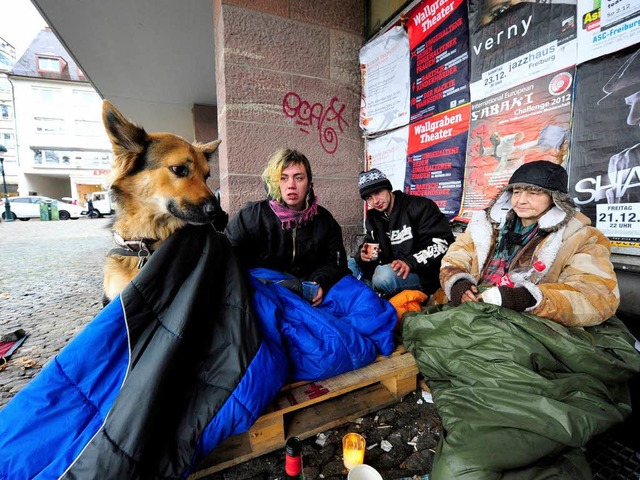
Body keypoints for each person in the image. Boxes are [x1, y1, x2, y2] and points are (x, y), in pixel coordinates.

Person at [441, 159, 619, 326]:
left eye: (533, 193)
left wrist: (527, 298)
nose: (521, 200)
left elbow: (597, 296)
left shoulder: (582, 237)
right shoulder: (486, 226)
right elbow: (456, 257)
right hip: (473, 308)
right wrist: (459, 283)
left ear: (555, 198)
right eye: (516, 192)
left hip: (527, 322)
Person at [225, 148, 350, 306]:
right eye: (283, 178)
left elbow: (337, 263)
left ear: (309, 184)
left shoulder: (324, 220)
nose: (291, 185)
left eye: (298, 178)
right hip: (268, 290)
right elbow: (228, 257)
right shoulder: (252, 216)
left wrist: (319, 283)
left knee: (362, 298)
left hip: (311, 286)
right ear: (274, 183)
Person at [349, 168, 454, 297]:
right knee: (349, 265)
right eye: (368, 198)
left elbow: (442, 244)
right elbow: (370, 244)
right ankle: (372, 293)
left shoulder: (420, 206)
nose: (375, 201)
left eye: (377, 192)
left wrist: (410, 262)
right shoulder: (374, 218)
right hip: (392, 269)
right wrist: (364, 255)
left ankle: (370, 292)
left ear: (388, 188)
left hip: (422, 273)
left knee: (383, 276)